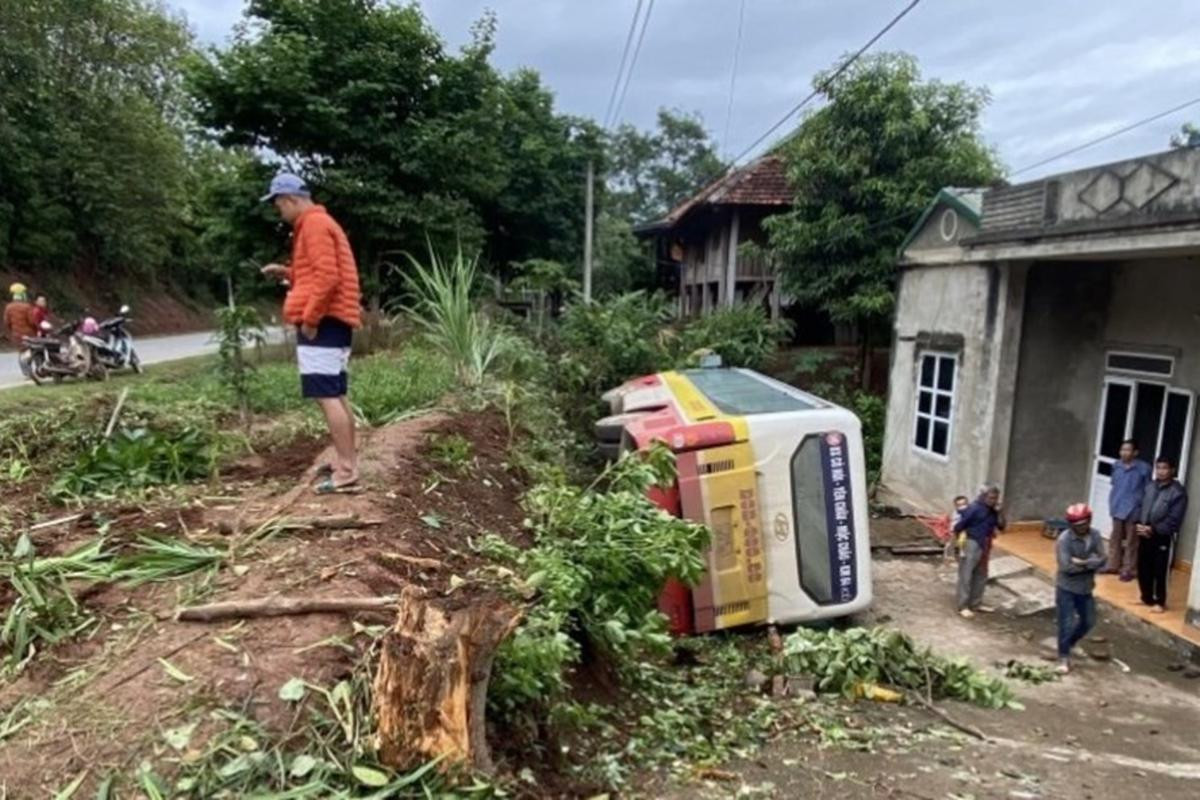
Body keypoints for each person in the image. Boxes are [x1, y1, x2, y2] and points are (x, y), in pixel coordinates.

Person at [259, 173, 363, 493]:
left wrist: (311, 318)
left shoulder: (314, 225)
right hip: (336, 319)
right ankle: (347, 462)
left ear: (290, 199)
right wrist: (287, 272)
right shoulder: (320, 223)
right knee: (335, 391)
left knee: (326, 394)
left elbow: (328, 278)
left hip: (325, 320)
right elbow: (317, 272)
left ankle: (346, 470)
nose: (280, 213)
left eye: (279, 206)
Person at [1055, 503, 1106, 674]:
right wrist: (1092, 563)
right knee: (1066, 623)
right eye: (1078, 525)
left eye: (1085, 524)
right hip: (1066, 588)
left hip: (1086, 587)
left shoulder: (1096, 535)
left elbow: (1103, 559)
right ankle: (1063, 657)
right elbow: (1066, 567)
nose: (1082, 528)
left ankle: (1070, 643)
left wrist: (1083, 562)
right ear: (1071, 525)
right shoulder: (1064, 540)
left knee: (1089, 621)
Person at [1136, 457, 1187, 613]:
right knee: (1143, 567)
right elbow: (1142, 505)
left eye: (1164, 468)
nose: (1161, 471)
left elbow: (1174, 519)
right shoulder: (1151, 486)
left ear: (1172, 470)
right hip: (1144, 532)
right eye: (1158, 468)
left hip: (1162, 536)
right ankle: (1147, 597)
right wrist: (1140, 523)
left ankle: (1160, 601)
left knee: (1160, 570)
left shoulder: (1178, 492)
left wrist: (1154, 529)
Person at [953, 485, 1006, 618]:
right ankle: (963, 606)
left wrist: (999, 512)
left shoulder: (993, 511)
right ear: (983, 496)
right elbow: (958, 526)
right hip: (972, 542)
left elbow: (1002, 526)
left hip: (985, 543)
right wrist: (958, 545)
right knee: (966, 574)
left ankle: (976, 603)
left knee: (981, 574)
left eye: (995, 498)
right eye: (991, 497)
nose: (993, 500)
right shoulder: (974, 509)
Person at [1101, 439, 1150, 580]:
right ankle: (1113, 565)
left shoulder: (1144, 468)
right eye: (1122, 449)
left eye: (1128, 450)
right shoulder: (1116, 465)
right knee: (1115, 538)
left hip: (1134, 509)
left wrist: (1143, 511)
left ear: (1135, 452)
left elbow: (1148, 490)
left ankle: (1129, 569)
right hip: (1117, 506)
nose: (1124, 452)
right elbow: (1114, 485)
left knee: (1131, 541)